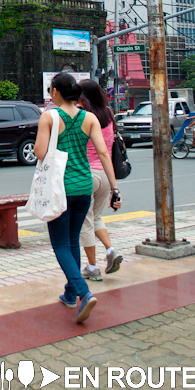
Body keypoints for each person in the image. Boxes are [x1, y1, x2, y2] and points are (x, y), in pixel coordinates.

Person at [33, 73, 121, 323]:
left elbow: (39, 152)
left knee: (60, 244)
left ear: (56, 92)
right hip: (84, 187)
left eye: (51, 89)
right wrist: (114, 189)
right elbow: (103, 154)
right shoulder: (90, 117)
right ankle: (70, 294)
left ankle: (83, 292)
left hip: (60, 188)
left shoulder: (49, 116)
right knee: (73, 241)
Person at [78, 79, 123, 280]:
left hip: (86, 173)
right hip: (105, 174)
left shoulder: (85, 116)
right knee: (96, 217)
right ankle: (110, 250)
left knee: (85, 222)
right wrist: (115, 188)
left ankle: (92, 267)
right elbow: (106, 153)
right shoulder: (108, 114)